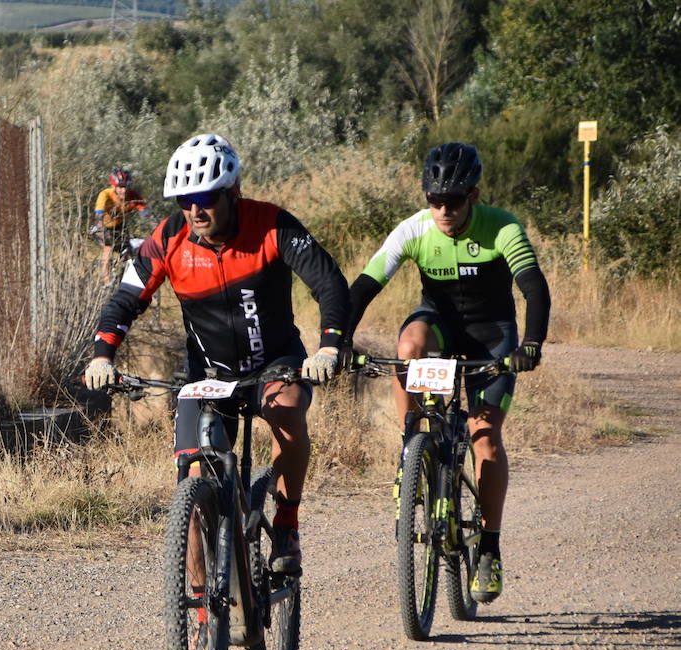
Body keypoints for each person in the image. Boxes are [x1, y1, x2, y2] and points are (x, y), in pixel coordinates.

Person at [83, 134, 351, 573]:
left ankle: (286, 522)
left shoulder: (272, 224)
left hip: (275, 362)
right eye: (185, 200)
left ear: (233, 191)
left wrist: (328, 346)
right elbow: (126, 299)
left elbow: (328, 282)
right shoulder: (169, 237)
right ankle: (198, 604)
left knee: (286, 410)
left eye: (206, 198)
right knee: (192, 482)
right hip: (207, 371)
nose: (195, 210)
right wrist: (101, 356)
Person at [346, 141, 549, 603]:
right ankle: (411, 445)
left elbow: (534, 287)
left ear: (473, 195)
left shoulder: (502, 227)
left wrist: (532, 344)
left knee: (485, 438)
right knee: (409, 346)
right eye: (434, 200)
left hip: (491, 338)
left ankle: (490, 547)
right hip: (440, 327)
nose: (443, 210)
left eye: (453, 201)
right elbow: (365, 285)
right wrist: (338, 339)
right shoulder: (415, 228)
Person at [91, 167, 152, 284]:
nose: (124, 190)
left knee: (128, 251)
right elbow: (98, 216)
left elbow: (149, 216)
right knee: (109, 246)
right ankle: (107, 281)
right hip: (102, 226)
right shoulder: (105, 195)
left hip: (119, 227)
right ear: (113, 186)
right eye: (120, 187)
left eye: (126, 186)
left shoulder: (133, 196)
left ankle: (121, 278)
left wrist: (159, 230)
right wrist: (101, 229)